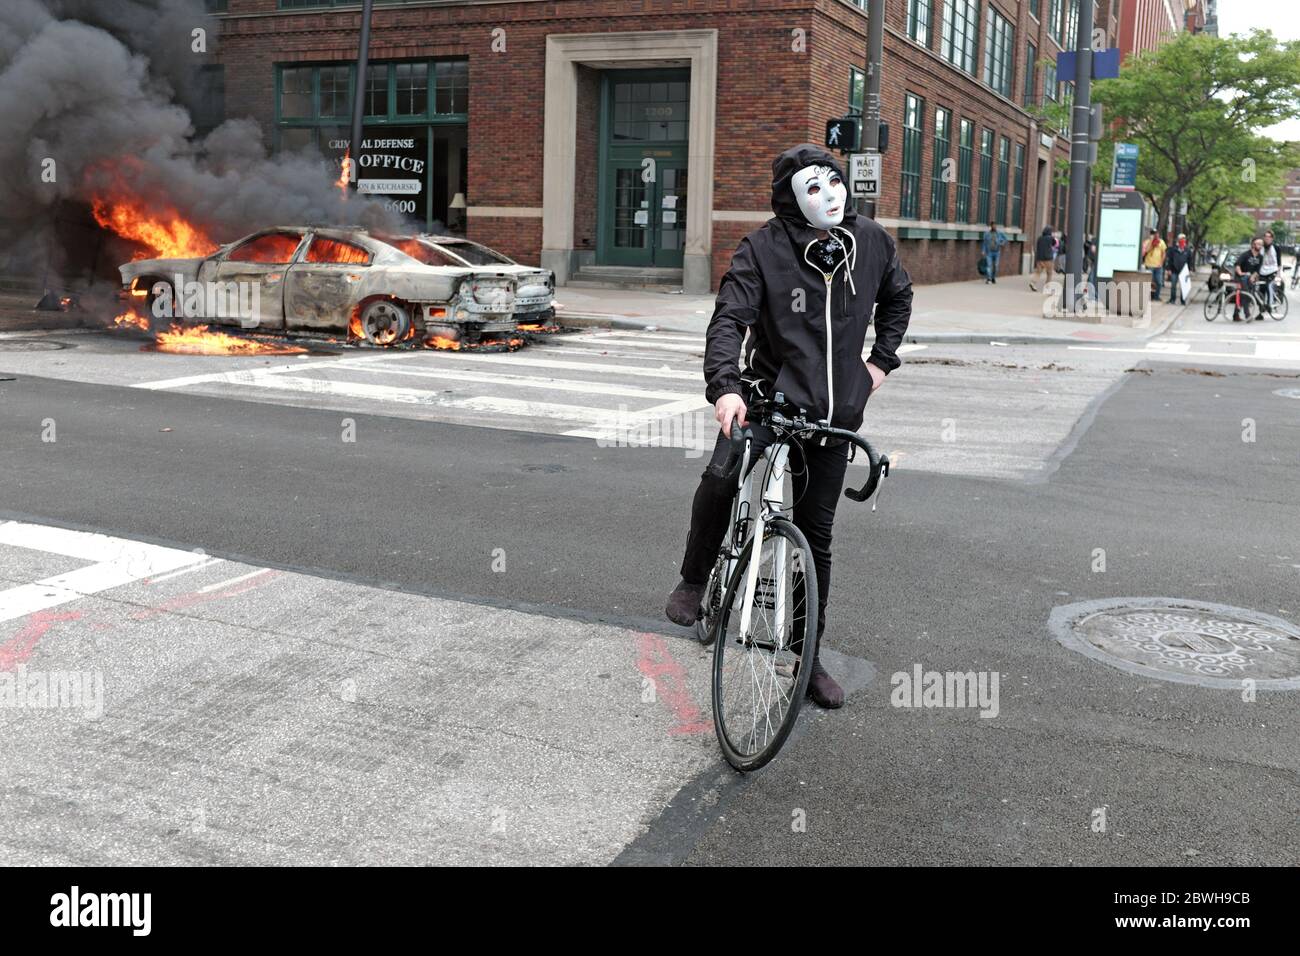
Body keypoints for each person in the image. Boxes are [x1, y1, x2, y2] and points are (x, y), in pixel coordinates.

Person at [663, 143, 913, 709]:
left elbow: (899, 298)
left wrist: (879, 363)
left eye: (835, 183)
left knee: (816, 541)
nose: (830, 195)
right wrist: (725, 387)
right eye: (814, 188)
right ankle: (695, 577)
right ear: (791, 200)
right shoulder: (764, 248)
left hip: (834, 418)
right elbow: (729, 319)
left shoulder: (870, 242)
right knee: (723, 475)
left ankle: (806, 655)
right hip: (767, 402)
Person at [1233, 237, 1264, 321]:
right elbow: (1237, 265)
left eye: (1261, 244)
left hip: (1250, 278)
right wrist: (1240, 273)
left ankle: (1235, 315)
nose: (1260, 246)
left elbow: (1257, 270)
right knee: (1246, 295)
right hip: (1241, 277)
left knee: (1249, 295)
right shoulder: (1246, 254)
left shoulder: (1260, 257)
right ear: (1253, 245)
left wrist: (1253, 277)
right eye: (1258, 244)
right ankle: (1248, 315)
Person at [1164, 233, 1193, 305]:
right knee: (1173, 286)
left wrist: (1190, 270)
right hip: (1174, 270)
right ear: (1178, 240)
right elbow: (1169, 260)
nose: (1183, 240)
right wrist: (1168, 269)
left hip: (1184, 272)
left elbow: (1190, 261)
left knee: (1183, 286)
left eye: (1184, 239)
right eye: (1181, 239)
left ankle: (1182, 300)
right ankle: (1172, 299)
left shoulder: (1187, 250)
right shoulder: (1173, 249)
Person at [1258, 228, 1282, 311]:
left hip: (1272, 271)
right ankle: (1261, 310)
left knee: (1269, 285)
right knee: (1261, 290)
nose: (1267, 238)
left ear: (1272, 238)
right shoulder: (1261, 247)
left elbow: (1279, 262)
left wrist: (1278, 274)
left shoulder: (1276, 248)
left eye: (1269, 237)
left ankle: (1270, 304)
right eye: (1266, 236)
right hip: (1262, 271)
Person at [1142, 228, 1167, 300]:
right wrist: (1151, 242)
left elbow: (1164, 253)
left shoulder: (1161, 242)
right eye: (1153, 233)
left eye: (1155, 233)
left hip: (1158, 266)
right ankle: (1149, 297)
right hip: (1149, 265)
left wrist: (1161, 263)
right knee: (1150, 282)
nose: (1154, 235)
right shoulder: (1147, 242)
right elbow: (1145, 251)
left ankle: (1156, 297)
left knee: (1159, 282)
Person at [1030, 226, 1055, 292]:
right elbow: (1054, 244)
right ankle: (1047, 288)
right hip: (1048, 259)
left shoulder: (1040, 238)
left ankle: (1033, 283)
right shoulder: (1051, 238)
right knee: (1049, 274)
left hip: (1039, 258)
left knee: (1038, 272)